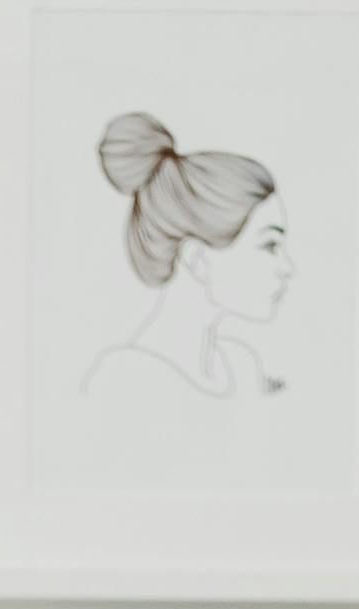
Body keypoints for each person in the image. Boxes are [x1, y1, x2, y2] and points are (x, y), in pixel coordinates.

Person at [82, 110, 294, 402]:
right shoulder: (125, 384)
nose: (288, 268)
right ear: (198, 259)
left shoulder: (241, 365)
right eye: (270, 245)